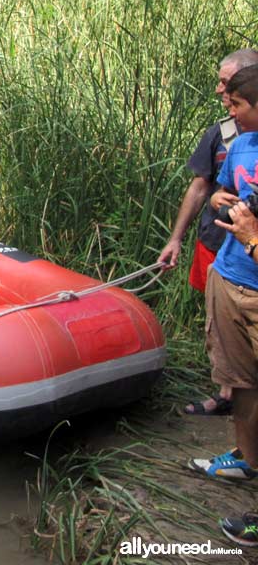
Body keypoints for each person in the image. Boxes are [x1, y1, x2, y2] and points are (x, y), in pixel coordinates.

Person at [182, 64, 258, 546]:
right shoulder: (242, 144)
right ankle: (246, 462)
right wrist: (219, 204)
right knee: (241, 381)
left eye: (236, 104)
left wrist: (252, 238)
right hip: (229, 279)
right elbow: (218, 192)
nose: (227, 111)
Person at [159, 49, 258, 415]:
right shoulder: (222, 133)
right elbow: (202, 186)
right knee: (218, 325)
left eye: (227, 84)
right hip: (217, 245)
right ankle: (227, 394)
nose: (219, 91)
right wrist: (175, 238)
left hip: (251, 255)